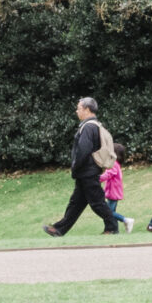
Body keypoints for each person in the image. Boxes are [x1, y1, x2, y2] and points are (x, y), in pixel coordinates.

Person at [45, 96, 117, 237]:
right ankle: (59, 229)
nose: (76, 111)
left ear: (87, 110)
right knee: (76, 204)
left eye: (79, 108)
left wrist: (75, 166)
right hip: (86, 172)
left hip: (87, 172)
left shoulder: (88, 127)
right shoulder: (93, 126)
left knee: (97, 203)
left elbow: (83, 150)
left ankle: (112, 228)